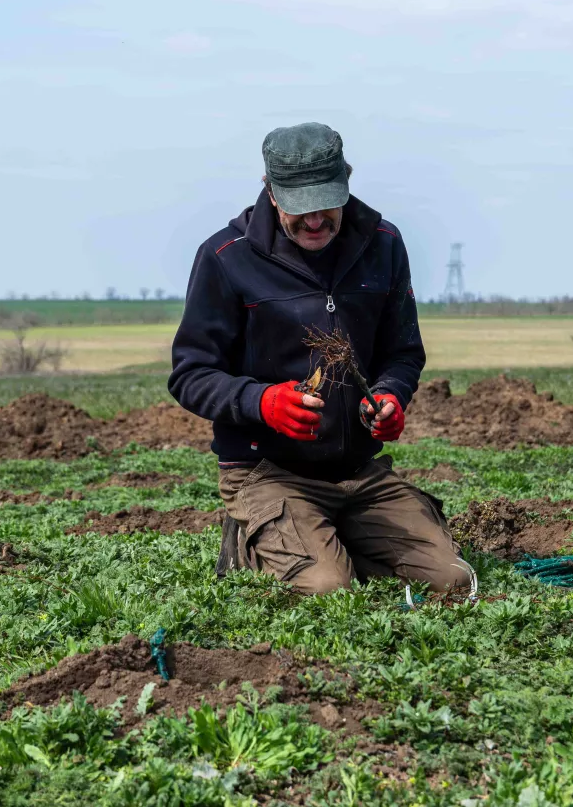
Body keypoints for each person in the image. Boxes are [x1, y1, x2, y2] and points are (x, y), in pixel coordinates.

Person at [169, 122, 474, 596]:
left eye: (325, 204)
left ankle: (332, 536)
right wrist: (262, 402)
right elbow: (190, 374)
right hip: (267, 472)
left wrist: (391, 396)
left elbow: (403, 352)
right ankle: (259, 538)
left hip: (358, 473)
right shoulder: (225, 257)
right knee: (327, 590)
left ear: (346, 185)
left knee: (452, 580)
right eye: (299, 208)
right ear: (271, 193)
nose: (314, 221)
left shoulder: (384, 244)